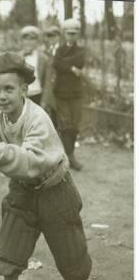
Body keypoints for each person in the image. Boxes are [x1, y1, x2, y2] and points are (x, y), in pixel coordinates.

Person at [0, 51, 92, 280]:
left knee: (70, 250)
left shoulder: (37, 118)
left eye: (9, 89)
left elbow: (31, 161)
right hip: (23, 191)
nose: (2, 96)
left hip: (55, 188)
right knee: (8, 248)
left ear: (24, 90)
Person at [53, 18, 86, 170]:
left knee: (75, 125)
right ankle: (69, 157)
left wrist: (65, 63)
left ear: (78, 34)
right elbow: (56, 63)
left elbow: (80, 61)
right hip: (61, 92)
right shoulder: (59, 50)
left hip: (75, 93)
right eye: (68, 33)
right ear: (64, 34)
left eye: (74, 33)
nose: (71, 36)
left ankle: (69, 155)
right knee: (65, 125)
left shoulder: (81, 50)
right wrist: (71, 68)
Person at [19, 25, 48, 106]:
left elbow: (47, 82)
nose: (28, 42)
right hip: (22, 96)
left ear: (37, 41)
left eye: (32, 39)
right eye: (26, 39)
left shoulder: (43, 58)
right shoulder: (17, 57)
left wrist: (44, 101)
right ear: (22, 41)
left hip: (37, 94)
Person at [41, 25, 61, 127]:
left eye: (53, 36)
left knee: (60, 115)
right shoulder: (47, 51)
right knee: (52, 114)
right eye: (49, 37)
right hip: (50, 86)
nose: (51, 39)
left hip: (60, 86)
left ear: (58, 37)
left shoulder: (61, 50)